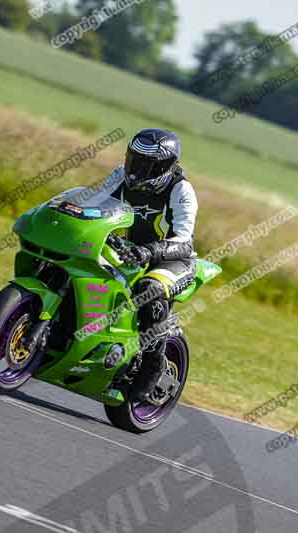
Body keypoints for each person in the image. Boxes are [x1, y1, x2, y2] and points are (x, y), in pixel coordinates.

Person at [104, 128, 198, 403]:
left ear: (167, 166)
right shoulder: (119, 175)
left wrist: (150, 250)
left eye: (147, 165)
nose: (136, 170)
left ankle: (152, 364)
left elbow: (184, 241)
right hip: (132, 253)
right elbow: (94, 201)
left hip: (173, 261)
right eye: (134, 160)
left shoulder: (181, 189)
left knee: (150, 288)